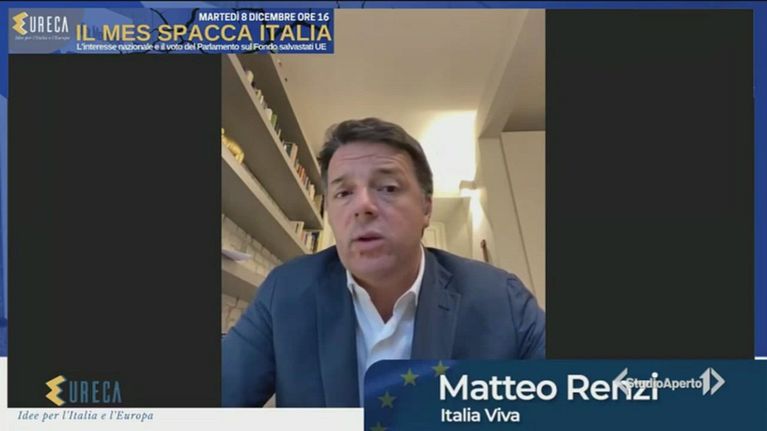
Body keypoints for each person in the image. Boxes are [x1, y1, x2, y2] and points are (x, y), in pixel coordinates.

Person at [222, 118, 545, 407]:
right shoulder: (285, 292)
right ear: (329, 213)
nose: (363, 206)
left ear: (426, 208)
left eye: (388, 188)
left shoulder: (501, 298)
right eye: (344, 193)